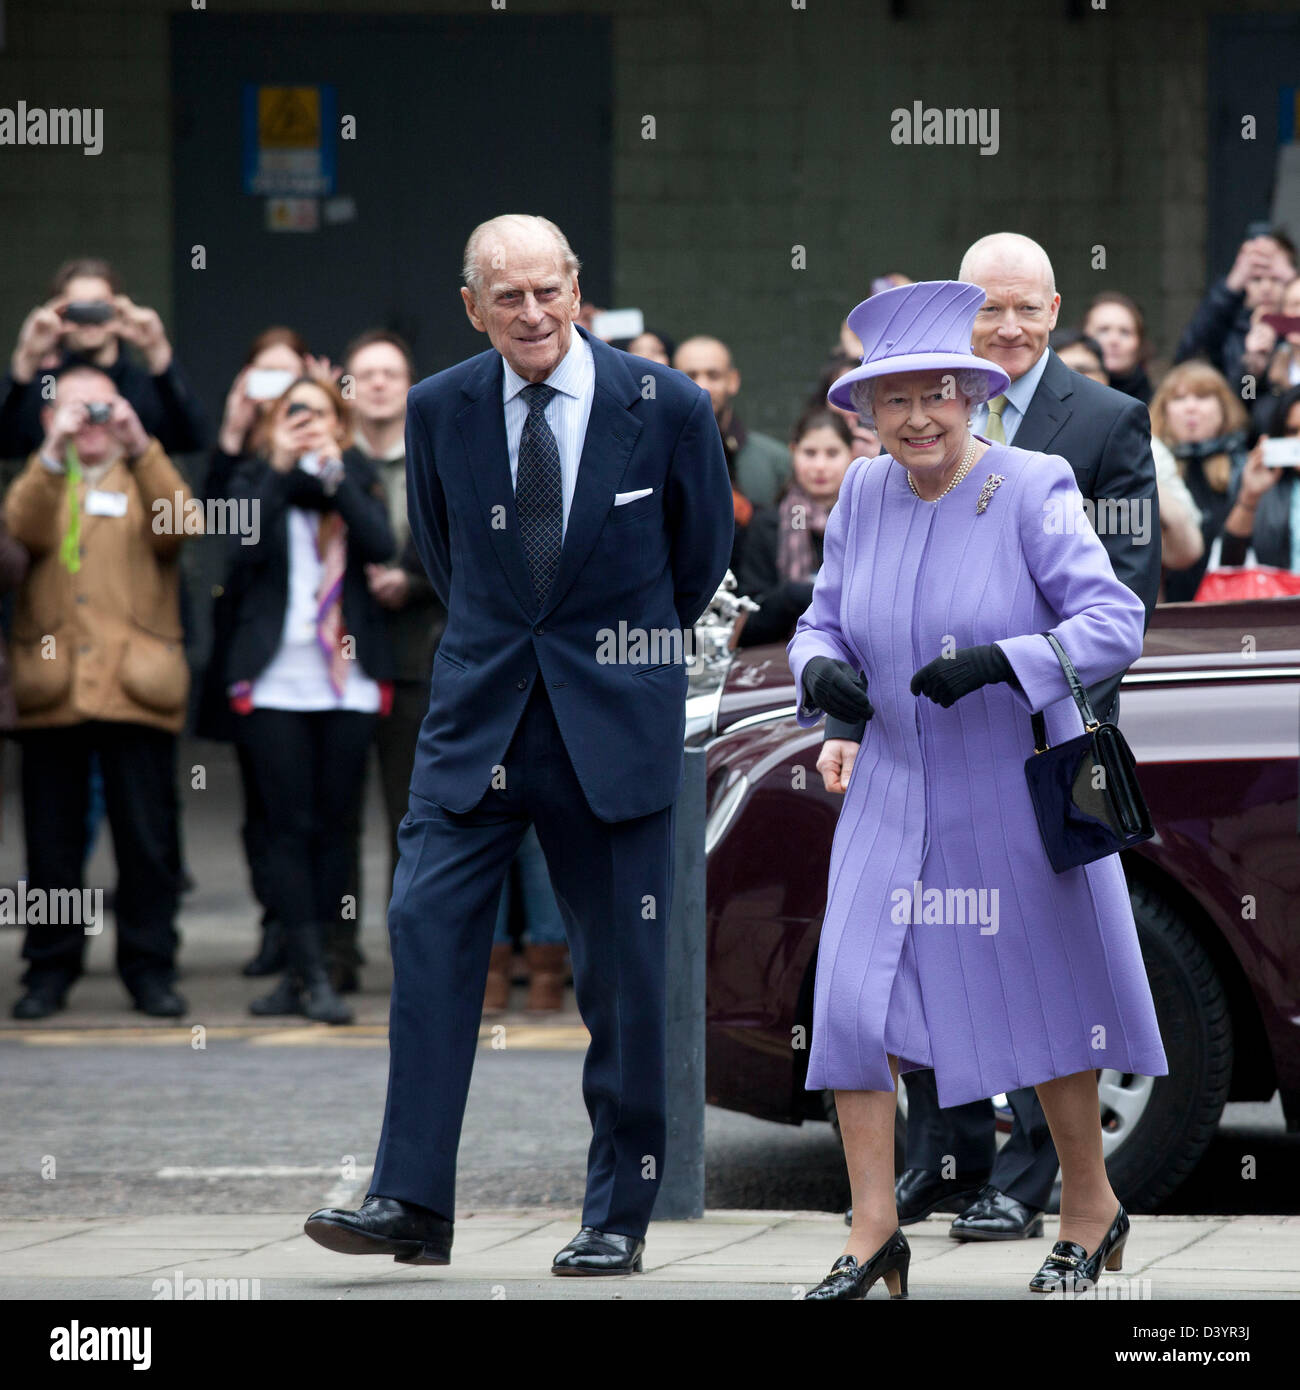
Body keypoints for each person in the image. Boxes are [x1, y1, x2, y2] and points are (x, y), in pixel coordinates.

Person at [303, 213, 732, 1276]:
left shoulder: (665, 404)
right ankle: (409, 1201)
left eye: (549, 292)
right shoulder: (441, 405)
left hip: (612, 728)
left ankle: (616, 1217)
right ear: (471, 307)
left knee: (623, 982)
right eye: (508, 297)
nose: (532, 314)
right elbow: (448, 561)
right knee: (426, 929)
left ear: (577, 291)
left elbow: (698, 560)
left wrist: (614, 665)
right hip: (476, 720)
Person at [792, 279, 1167, 1299]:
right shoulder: (862, 493)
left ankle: (1089, 1207)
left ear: (970, 396)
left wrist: (1010, 662)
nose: (915, 417)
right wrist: (818, 676)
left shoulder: (1032, 484)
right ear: (865, 412)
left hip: (1006, 790)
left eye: (936, 394)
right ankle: (875, 1236)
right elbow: (821, 622)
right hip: (891, 787)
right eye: (892, 400)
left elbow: (1113, 620)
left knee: (1046, 1016)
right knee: (850, 1011)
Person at [6, 364, 198, 1019]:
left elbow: (182, 525)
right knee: (51, 844)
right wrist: (50, 450)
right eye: (73, 408)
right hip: (53, 689)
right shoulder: (43, 478)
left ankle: (151, 968)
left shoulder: (143, 476)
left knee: (148, 844)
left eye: (101, 407)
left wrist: (141, 444)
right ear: (47, 417)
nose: (89, 421)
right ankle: (48, 969)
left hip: (136, 687)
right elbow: (22, 530)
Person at [220, 377, 396, 1025]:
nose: (306, 422)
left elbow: (381, 544)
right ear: (270, 424)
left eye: (319, 413)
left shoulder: (354, 474)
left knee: (335, 826)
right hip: (276, 679)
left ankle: (322, 963)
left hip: (345, 678)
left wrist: (335, 472)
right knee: (286, 829)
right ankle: (306, 971)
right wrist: (278, 466)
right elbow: (240, 547)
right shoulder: (255, 479)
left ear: (340, 423)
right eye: (293, 413)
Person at [196, 327, 312, 981]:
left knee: (314, 811)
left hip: (321, 654)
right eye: (261, 375)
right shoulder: (242, 456)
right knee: (263, 808)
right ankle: (275, 924)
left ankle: (318, 940)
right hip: (251, 649)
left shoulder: (324, 441)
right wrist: (235, 430)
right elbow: (219, 521)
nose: (274, 391)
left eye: (287, 377)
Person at [337, 328, 446, 992]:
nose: (377, 384)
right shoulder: (325, 459)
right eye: (363, 374)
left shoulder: (432, 458)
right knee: (333, 819)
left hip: (418, 661)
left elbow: (465, 553)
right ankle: (334, 956)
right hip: (335, 666)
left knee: (412, 817)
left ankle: (414, 955)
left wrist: (414, 585)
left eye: (390, 373)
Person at [0, 258, 207, 460]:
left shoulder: (142, 386)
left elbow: (193, 438)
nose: (90, 320)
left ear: (118, 309)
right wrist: (27, 357)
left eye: (99, 309)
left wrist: (157, 350)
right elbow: (7, 444)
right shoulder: (46, 387)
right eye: (79, 310)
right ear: (60, 314)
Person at [735, 407, 855, 647]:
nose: (820, 466)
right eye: (810, 453)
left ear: (851, 455)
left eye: (832, 453)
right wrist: (793, 597)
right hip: (780, 669)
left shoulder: (865, 521)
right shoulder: (767, 525)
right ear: (793, 452)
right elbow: (746, 625)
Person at [1149, 360, 1249, 601]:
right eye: (1179, 399)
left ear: (1224, 408)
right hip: (1167, 614)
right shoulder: (1151, 466)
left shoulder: (1245, 469)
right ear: (1164, 411)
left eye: (1203, 397)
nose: (1190, 408)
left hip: (1231, 609)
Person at [673, 335, 791, 507]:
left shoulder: (776, 461)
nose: (702, 386)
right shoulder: (657, 458)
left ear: (733, 381)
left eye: (713, 376)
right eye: (690, 376)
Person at [1174, 230, 1296, 392]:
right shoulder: (1231, 330)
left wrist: (1293, 277)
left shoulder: (1294, 332)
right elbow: (1188, 355)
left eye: (1276, 278)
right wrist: (1251, 369)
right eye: (1256, 279)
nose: (1266, 288)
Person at [1215, 382, 1300, 575]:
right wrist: (1249, 497)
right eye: (1292, 431)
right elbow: (1230, 566)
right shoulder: (1267, 486)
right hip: (1281, 602)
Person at [1080, 292, 1153, 403]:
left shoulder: (1158, 403)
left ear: (1139, 342)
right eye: (1103, 330)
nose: (1114, 340)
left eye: (1125, 332)